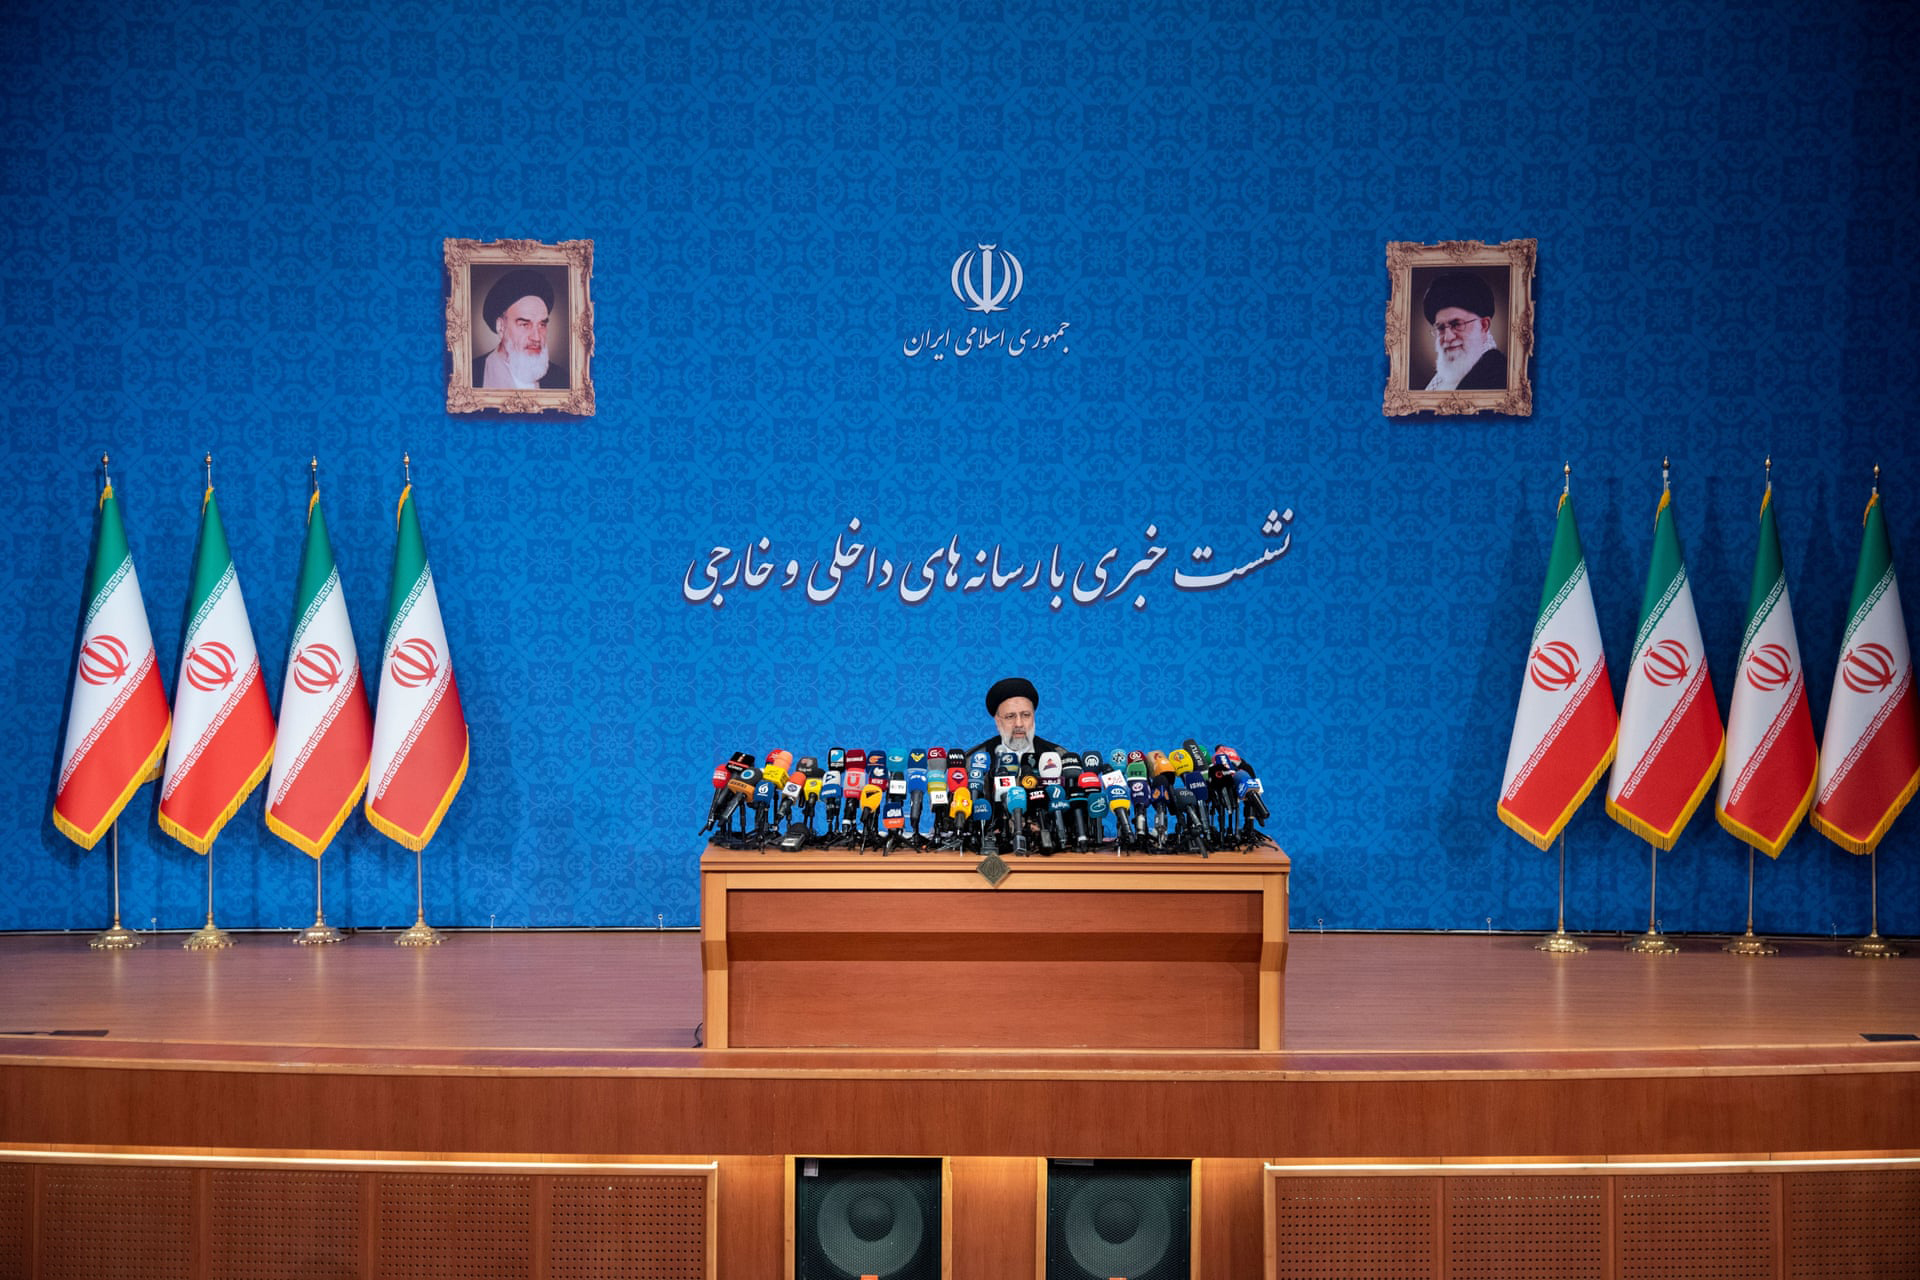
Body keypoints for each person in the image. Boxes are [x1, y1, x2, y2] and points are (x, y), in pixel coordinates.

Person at [472, 269, 569, 390]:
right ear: (501, 327)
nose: (536, 337)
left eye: (542, 325)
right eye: (525, 325)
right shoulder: (471, 375)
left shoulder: (562, 379)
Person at [1420, 272, 1505, 391]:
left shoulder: (1500, 375)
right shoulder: (1441, 379)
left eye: (1456, 324)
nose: (1448, 337)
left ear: (1483, 325)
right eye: (1441, 328)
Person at [966, 677, 1066, 760]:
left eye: (1026, 715)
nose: (1019, 724)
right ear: (998, 721)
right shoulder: (973, 759)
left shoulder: (1059, 756)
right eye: (1010, 716)